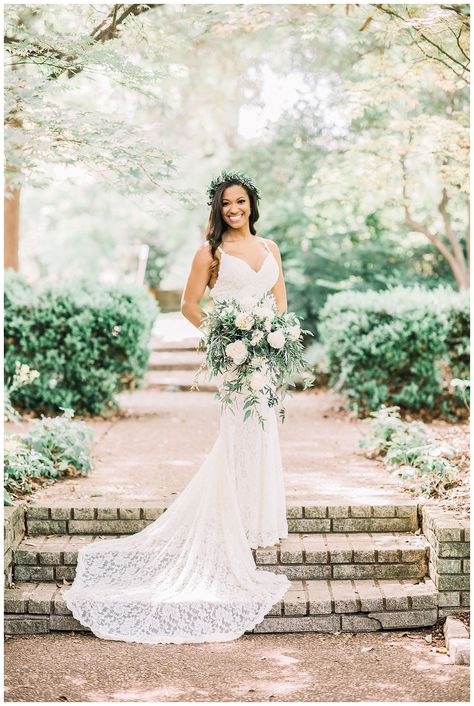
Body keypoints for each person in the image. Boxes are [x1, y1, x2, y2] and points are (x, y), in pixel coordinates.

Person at [63, 170, 291, 644]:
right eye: (226, 203)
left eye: (241, 201)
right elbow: (190, 306)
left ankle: (252, 520)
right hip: (235, 361)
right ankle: (230, 528)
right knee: (235, 437)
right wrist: (228, 337)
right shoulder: (209, 253)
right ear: (217, 208)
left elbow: (279, 305)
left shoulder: (270, 249)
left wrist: (275, 340)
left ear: (252, 204)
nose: (234, 209)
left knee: (263, 435)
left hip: (265, 362)